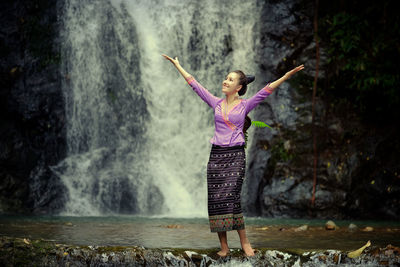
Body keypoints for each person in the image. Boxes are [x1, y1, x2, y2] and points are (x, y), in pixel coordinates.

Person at [162, 54, 304, 257]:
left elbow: (267, 90)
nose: (225, 81)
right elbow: (195, 85)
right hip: (216, 156)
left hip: (235, 156)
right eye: (225, 78)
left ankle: (245, 243)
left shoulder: (245, 105)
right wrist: (178, 65)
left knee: (232, 198)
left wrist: (287, 75)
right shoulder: (216, 103)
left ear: (238, 87)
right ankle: (224, 247)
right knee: (216, 200)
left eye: (230, 79)